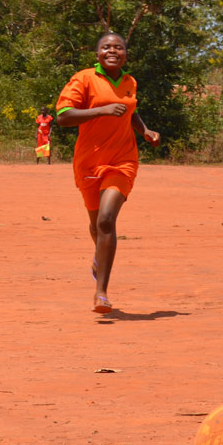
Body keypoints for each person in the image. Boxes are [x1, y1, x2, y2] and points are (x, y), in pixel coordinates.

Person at [56, 32, 160, 314]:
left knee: (105, 220)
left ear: (126, 53)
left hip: (122, 160)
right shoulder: (84, 78)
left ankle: (101, 292)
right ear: (97, 53)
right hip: (88, 162)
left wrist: (145, 130)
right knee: (95, 225)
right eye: (106, 47)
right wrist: (100, 110)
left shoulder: (130, 82)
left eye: (118, 47)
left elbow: (129, 111)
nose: (112, 51)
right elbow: (63, 116)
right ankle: (98, 256)